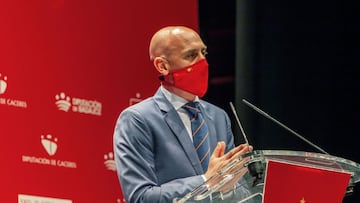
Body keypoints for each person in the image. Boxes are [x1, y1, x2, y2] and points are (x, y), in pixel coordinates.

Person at [113, 25, 252, 203]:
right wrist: (206, 182)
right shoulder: (137, 119)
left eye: (204, 53)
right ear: (162, 65)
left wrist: (230, 187)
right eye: (191, 55)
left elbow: (243, 193)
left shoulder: (219, 117)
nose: (203, 62)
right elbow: (140, 197)